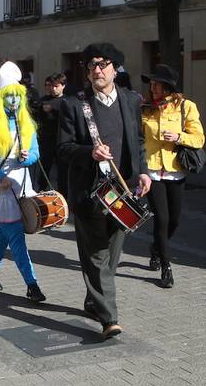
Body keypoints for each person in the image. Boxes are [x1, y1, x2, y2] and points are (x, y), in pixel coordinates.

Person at [57, 43, 151, 338]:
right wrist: (90, 153)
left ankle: (92, 299)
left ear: (114, 69)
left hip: (122, 192)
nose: (97, 70)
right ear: (87, 73)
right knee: (97, 254)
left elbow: (137, 140)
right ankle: (109, 317)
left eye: (103, 65)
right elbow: (62, 148)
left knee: (112, 254)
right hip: (90, 192)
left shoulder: (129, 100)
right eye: (91, 66)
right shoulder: (75, 104)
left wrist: (144, 172)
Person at [0, 61, 46, 303]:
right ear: (0, 98)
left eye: (17, 97)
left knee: (5, 232)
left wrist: (28, 158)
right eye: (9, 96)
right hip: (3, 190)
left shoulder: (27, 124)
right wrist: (0, 177)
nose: (13, 102)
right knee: (15, 235)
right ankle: (32, 284)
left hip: (23, 187)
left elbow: (36, 153)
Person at [141, 64, 205, 288]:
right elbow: (138, 138)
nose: (153, 87)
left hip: (176, 171)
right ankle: (166, 267)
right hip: (152, 172)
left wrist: (179, 136)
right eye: (151, 83)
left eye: (157, 83)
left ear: (168, 86)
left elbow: (199, 139)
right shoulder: (145, 108)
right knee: (162, 219)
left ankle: (157, 248)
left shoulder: (186, 107)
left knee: (175, 220)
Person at [34, 73, 68, 193]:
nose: (53, 89)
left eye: (56, 86)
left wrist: (53, 110)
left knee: (62, 169)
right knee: (45, 166)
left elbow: (68, 118)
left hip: (61, 139)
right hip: (46, 139)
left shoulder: (66, 101)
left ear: (63, 86)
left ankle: (63, 193)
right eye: (51, 86)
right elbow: (35, 115)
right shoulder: (44, 99)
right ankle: (41, 189)